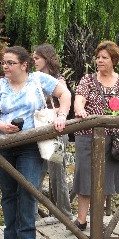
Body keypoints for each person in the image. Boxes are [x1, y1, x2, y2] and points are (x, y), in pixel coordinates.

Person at [0, 46, 71, 239]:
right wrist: (2, 126)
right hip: (4, 143)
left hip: (31, 144)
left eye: (10, 63)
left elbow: (65, 94)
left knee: (28, 187)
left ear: (24, 65)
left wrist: (61, 115)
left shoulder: (38, 79)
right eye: (4, 63)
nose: (5, 66)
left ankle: (26, 235)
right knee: (8, 192)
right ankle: (10, 237)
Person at [72, 40, 119, 231]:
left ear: (114, 60)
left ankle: (97, 219)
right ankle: (81, 220)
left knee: (105, 180)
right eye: (98, 57)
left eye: (104, 57)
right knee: (85, 177)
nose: (99, 61)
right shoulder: (87, 80)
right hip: (87, 135)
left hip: (114, 139)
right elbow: (79, 100)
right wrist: (80, 111)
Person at [32, 44, 74, 223]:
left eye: (37, 58)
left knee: (57, 174)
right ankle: (32, 215)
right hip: (38, 129)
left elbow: (64, 103)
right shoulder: (33, 79)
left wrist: (54, 115)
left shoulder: (58, 80)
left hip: (53, 130)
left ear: (47, 59)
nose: (33, 61)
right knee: (36, 173)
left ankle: (64, 214)